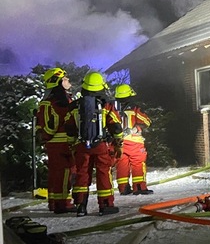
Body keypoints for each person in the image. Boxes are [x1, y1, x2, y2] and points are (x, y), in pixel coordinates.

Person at [65, 72, 124, 216]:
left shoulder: (74, 106)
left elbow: (69, 127)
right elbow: (115, 125)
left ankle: (80, 206)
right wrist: (118, 140)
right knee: (103, 173)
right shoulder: (107, 105)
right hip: (100, 145)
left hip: (81, 145)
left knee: (82, 173)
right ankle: (106, 205)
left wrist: (72, 143)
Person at [35, 67, 77, 213]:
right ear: (57, 82)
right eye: (65, 79)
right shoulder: (58, 102)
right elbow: (52, 124)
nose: (68, 81)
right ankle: (63, 204)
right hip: (62, 143)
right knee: (64, 173)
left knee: (55, 173)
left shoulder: (49, 101)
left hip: (54, 144)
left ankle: (54, 202)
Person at [113, 84, 153, 195]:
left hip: (118, 142)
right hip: (134, 142)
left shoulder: (112, 108)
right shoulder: (135, 108)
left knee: (121, 164)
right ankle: (139, 187)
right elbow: (147, 122)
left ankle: (123, 188)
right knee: (138, 163)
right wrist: (136, 129)